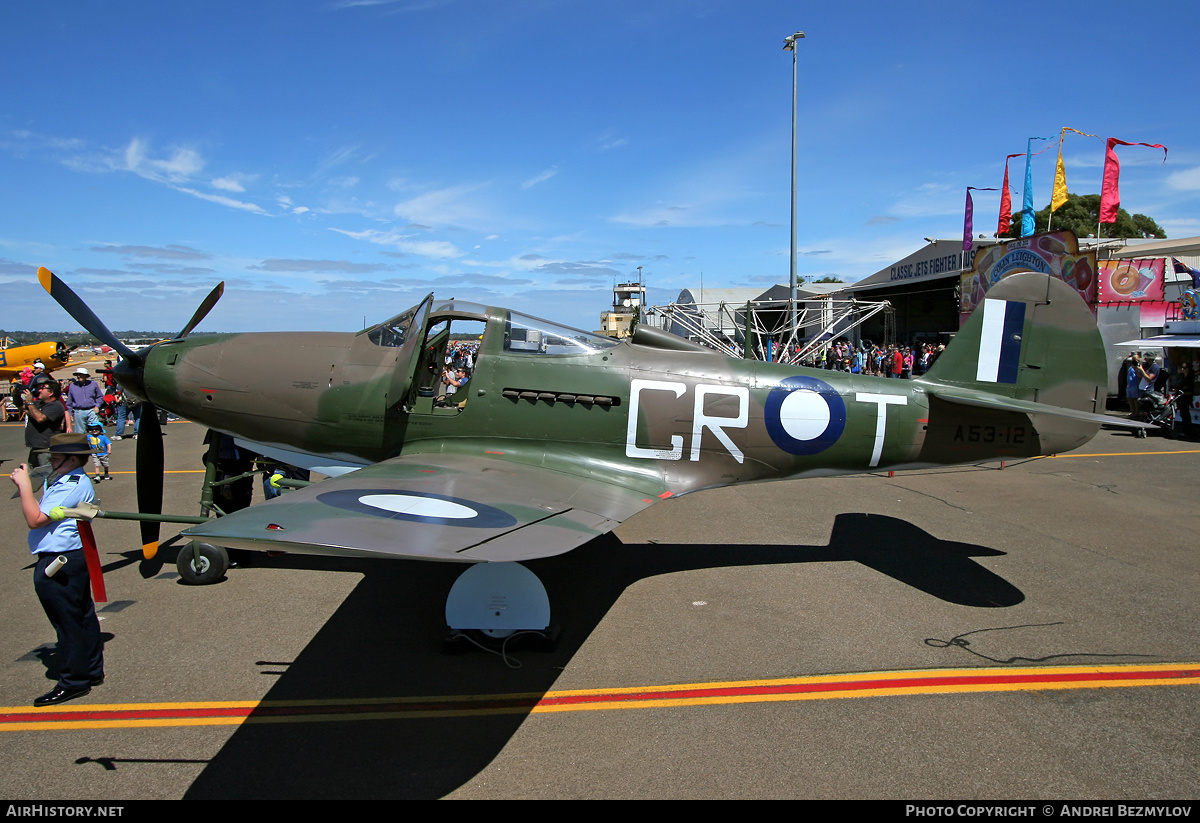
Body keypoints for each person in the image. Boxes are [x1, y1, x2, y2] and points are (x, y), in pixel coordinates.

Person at [9, 433, 105, 707]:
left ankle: (74, 681)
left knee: (67, 622)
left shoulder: (71, 484)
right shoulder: (68, 480)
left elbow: (35, 519)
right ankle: (91, 670)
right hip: (69, 556)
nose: (51, 460)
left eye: (56, 457)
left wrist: (25, 486)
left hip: (58, 560)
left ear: (72, 459)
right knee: (81, 615)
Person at [21, 379, 67, 468]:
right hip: (35, 447)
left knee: (46, 472)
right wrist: (16, 394)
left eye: (43, 388)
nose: (40, 390)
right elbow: (22, 407)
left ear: (51, 393)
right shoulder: (39, 403)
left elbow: (40, 418)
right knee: (36, 474)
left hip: (46, 448)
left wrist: (30, 403)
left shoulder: (56, 406)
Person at [66, 368, 103, 435]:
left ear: (86, 376)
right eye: (78, 375)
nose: (79, 376)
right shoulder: (72, 386)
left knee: (96, 430)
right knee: (80, 433)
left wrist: (97, 406)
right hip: (79, 411)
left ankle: (96, 445)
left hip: (91, 410)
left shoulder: (93, 384)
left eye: (81, 375)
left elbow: (100, 396)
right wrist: (70, 414)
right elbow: (69, 402)